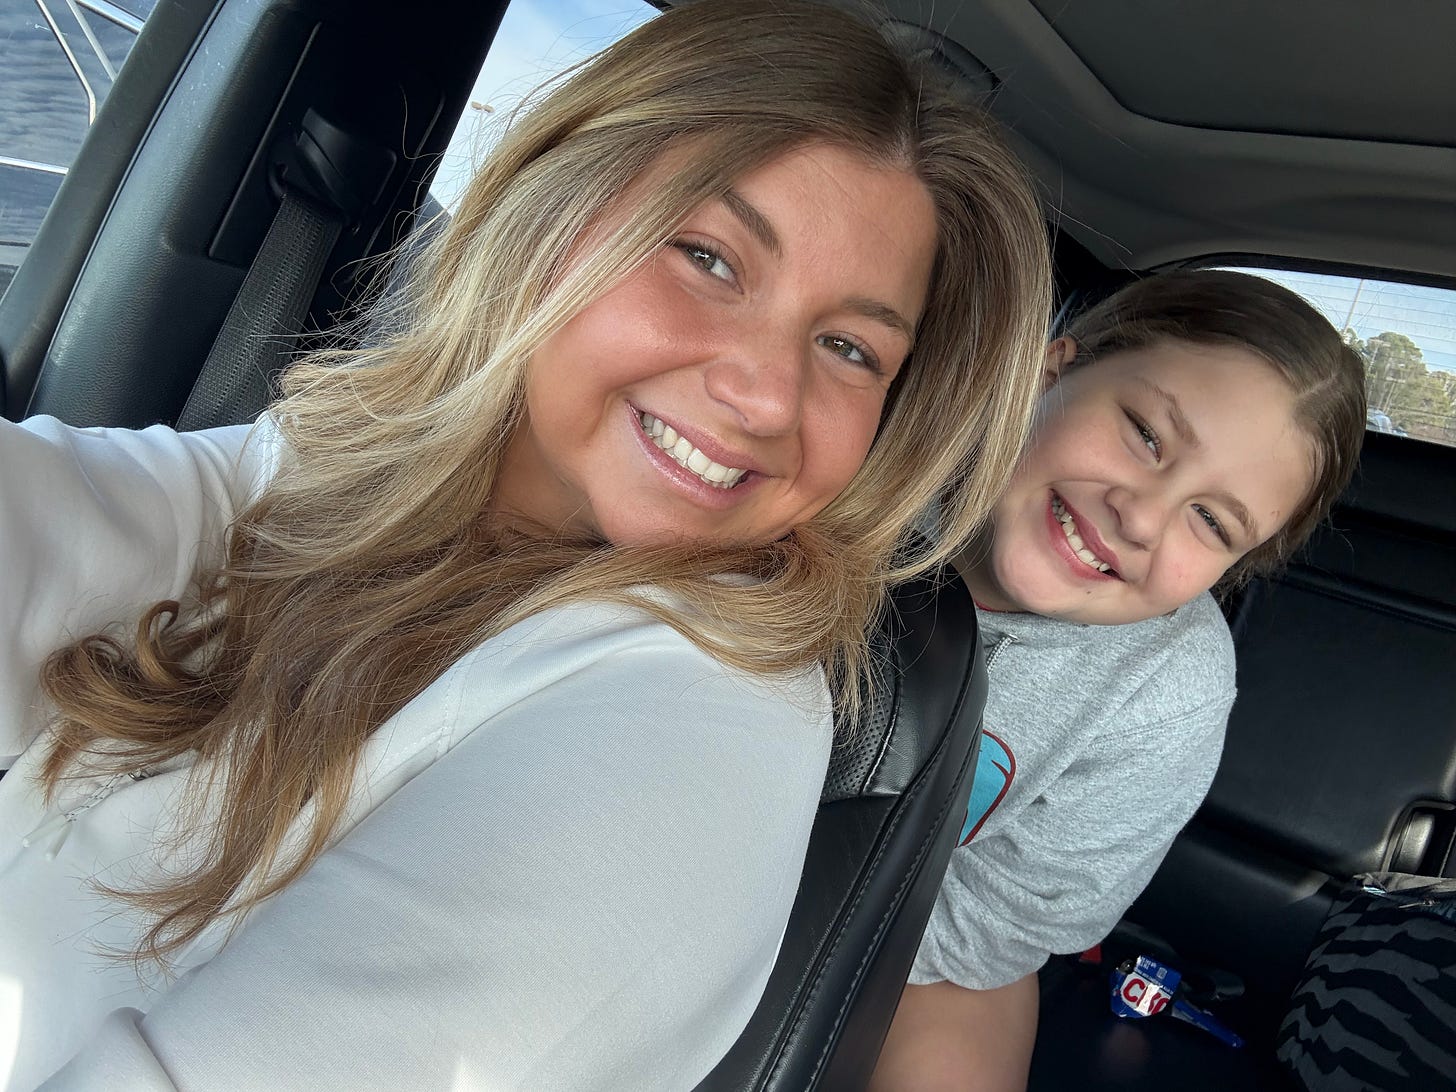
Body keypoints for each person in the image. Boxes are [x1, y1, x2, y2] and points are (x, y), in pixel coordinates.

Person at [0, 1, 1055, 1088]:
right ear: (552, 216)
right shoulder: (325, 471)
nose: (766, 395)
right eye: (708, 258)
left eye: (848, 347)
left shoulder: (698, 729)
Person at [869, 269, 1368, 1091]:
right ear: (1051, 372)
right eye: (1145, 434)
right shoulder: (881, 448)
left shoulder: (1171, 684)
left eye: (1211, 521)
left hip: (926, 914)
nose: (1140, 516)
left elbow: (1010, 913)